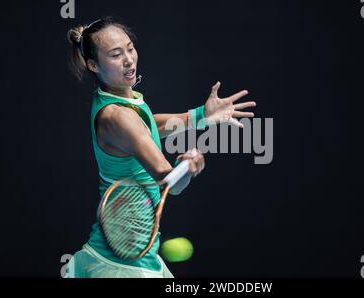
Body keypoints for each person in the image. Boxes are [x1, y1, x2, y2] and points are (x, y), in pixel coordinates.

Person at [65, 17, 256, 278]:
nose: (129, 60)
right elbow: (170, 183)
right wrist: (187, 167)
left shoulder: (119, 101)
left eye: (130, 48)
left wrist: (200, 116)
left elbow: (147, 126)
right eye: (115, 54)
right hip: (119, 265)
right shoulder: (119, 117)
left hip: (137, 255)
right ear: (93, 65)